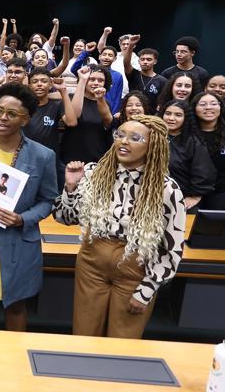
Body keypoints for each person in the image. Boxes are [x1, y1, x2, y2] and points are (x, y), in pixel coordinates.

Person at [53, 114, 186, 339]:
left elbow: (171, 247)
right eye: (120, 135)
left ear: (152, 145)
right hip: (91, 262)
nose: (124, 141)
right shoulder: (95, 174)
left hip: (134, 268)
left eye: (135, 138)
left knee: (122, 340)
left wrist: (147, 290)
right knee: (84, 335)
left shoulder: (166, 189)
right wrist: (71, 187)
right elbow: (64, 217)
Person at [0, 82, 58, 331]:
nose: (2, 118)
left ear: (25, 120)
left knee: (15, 304)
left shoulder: (42, 155)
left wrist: (22, 218)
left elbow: (48, 200)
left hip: (16, 238)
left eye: (12, 114)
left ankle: (16, 363)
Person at [161, 99, 216, 211]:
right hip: (152, 198)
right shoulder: (153, 137)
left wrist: (195, 196)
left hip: (180, 200)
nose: (171, 118)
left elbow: (203, 172)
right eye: (167, 113)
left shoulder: (192, 142)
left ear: (186, 118)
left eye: (178, 115)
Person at [60, 65, 113, 164]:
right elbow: (73, 118)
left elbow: (108, 124)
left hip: (97, 160)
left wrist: (100, 99)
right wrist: (82, 80)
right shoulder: (70, 98)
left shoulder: (105, 103)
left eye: (100, 80)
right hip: (72, 160)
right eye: (91, 79)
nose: (96, 83)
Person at [71, 43, 124, 113]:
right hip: (87, 108)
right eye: (104, 54)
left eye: (110, 55)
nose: (106, 57)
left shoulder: (118, 76)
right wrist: (86, 52)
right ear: (99, 56)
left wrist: (112, 116)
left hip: (107, 111)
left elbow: (117, 99)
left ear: (115, 59)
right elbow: (74, 69)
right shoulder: (90, 70)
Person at [122, 35, 167, 111]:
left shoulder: (162, 81)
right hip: (133, 114)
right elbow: (126, 63)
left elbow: (163, 102)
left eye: (149, 59)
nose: (145, 62)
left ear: (155, 61)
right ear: (138, 61)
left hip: (151, 118)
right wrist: (131, 45)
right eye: (142, 59)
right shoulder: (133, 74)